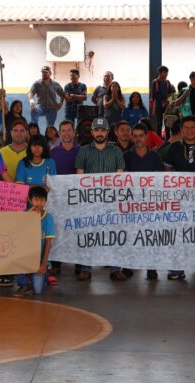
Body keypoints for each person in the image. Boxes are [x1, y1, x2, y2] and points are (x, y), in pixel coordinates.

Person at [75, 118, 126, 281]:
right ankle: (85, 268)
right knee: (88, 234)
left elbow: (120, 177)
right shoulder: (83, 151)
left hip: (111, 201)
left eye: (102, 130)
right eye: (96, 130)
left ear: (107, 132)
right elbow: (79, 177)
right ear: (92, 132)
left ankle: (115, 268)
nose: (99, 133)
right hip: (89, 201)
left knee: (114, 234)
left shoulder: (116, 151)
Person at [14, 186, 56, 297]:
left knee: (37, 290)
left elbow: (48, 242)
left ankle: (44, 274)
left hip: (39, 258)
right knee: (15, 257)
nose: (39, 203)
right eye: (36, 200)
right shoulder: (24, 214)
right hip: (24, 256)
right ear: (30, 200)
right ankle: (23, 283)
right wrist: (28, 216)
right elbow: (15, 235)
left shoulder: (48, 218)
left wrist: (43, 264)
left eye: (42, 200)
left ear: (46, 201)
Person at [28, 66, 65, 130]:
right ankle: (34, 130)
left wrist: (60, 103)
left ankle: (48, 138)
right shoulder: (37, 83)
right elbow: (30, 93)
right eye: (42, 72)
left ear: (50, 73)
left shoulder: (55, 84)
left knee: (50, 127)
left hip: (52, 108)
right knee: (33, 111)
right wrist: (32, 103)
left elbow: (62, 94)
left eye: (46, 72)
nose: (43, 74)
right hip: (41, 107)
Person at [149, 66, 174, 134]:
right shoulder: (155, 82)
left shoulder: (168, 82)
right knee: (159, 123)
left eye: (166, 73)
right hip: (158, 105)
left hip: (166, 105)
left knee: (167, 124)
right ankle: (159, 139)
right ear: (159, 73)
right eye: (164, 73)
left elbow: (171, 93)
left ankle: (167, 139)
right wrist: (164, 97)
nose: (165, 75)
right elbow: (153, 95)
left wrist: (168, 99)